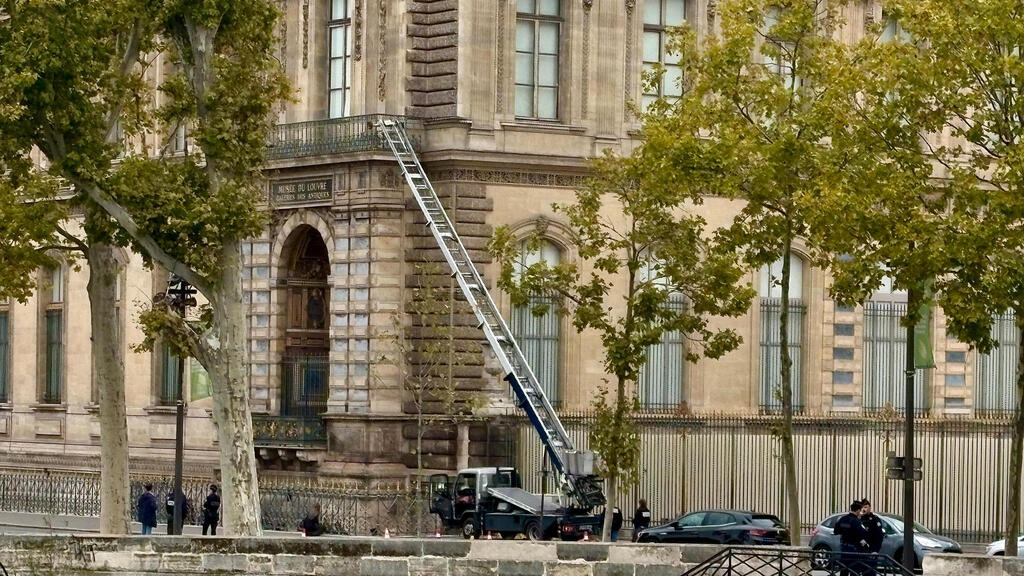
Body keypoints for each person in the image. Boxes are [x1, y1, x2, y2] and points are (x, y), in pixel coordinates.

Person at [834, 500, 870, 576]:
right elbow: (865, 534)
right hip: (854, 551)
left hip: (844, 550)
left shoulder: (842, 519)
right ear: (858, 510)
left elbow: (836, 531)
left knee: (844, 572)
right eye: (860, 510)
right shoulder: (856, 521)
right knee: (854, 572)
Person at [859, 499, 885, 576]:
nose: (864, 509)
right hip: (859, 551)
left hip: (870, 550)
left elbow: (879, 536)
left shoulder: (874, 519)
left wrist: (875, 550)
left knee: (870, 572)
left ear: (870, 508)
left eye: (866, 507)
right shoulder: (858, 519)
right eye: (862, 507)